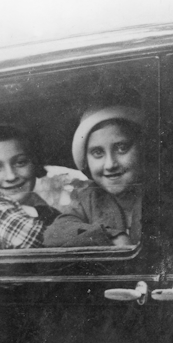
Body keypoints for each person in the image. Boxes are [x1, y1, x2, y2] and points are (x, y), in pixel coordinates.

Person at [43, 106, 144, 248]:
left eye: (122, 148)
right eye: (97, 152)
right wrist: (108, 236)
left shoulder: (164, 196)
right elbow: (54, 234)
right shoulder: (88, 199)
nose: (110, 164)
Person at [0, 125, 58, 249]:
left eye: (20, 162)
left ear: (34, 164)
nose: (11, 177)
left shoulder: (34, 201)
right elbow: (53, 243)